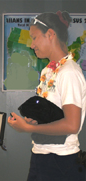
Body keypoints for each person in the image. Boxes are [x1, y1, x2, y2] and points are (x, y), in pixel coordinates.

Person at [8, 11, 86, 181]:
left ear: (50, 34)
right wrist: (33, 121)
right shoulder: (48, 71)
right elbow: (51, 115)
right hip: (41, 155)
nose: (31, 44)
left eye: (34, 37)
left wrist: (29, 128)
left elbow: (72, 125)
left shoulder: (69, 73)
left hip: (61, 160)